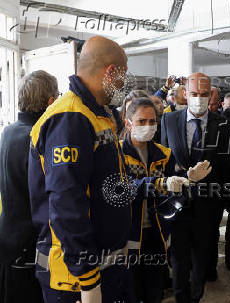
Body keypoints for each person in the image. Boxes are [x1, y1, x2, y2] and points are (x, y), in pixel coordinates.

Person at [28, 36, 164, 303]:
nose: (124, 84)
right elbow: (67, 207)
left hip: (104, 264)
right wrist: (88, 279)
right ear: (111, 72)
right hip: (73, 279)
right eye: (123, 75)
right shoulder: (70, 118)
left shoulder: (99, 114)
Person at [160, 72, 230, 303]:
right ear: (185, 93)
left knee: (201, 262)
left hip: (208, 207)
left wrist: (223, 203)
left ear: (211, 94)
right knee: (179, 260)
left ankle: (195, 298)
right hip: (178, 205)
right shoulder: (169, 120)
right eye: (194, 94)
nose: (199, 98)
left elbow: (226, 168)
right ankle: (182, 298)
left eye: (204, 94)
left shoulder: (223, 125)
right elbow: (163, 162)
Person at [121, 97, 203, 303]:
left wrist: (187, 181)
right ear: (127, 122)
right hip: (126, 234)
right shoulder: (116, 152)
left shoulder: (164, 154)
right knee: (129, 291)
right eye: (141, 121)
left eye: (152, 121)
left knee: (154, 290)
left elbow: (174, 196)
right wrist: (159, 184)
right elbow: (122, 188)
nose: (148, 126)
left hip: (156, 234)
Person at [0, 70, 58, 303]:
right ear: (50, 102)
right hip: (29, 242)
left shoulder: (8, 131)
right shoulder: (36, 138)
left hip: (8, 235)